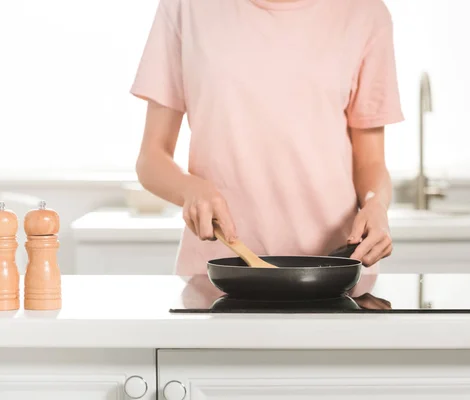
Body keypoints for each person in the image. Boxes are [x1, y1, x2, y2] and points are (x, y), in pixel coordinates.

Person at [130, 0, 404, 295]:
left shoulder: (365, 12)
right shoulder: (185, 6)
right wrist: (191, 190)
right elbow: (151, 159)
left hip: (334, 271)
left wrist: (376, 205)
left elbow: (370, 163)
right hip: (219, 274)